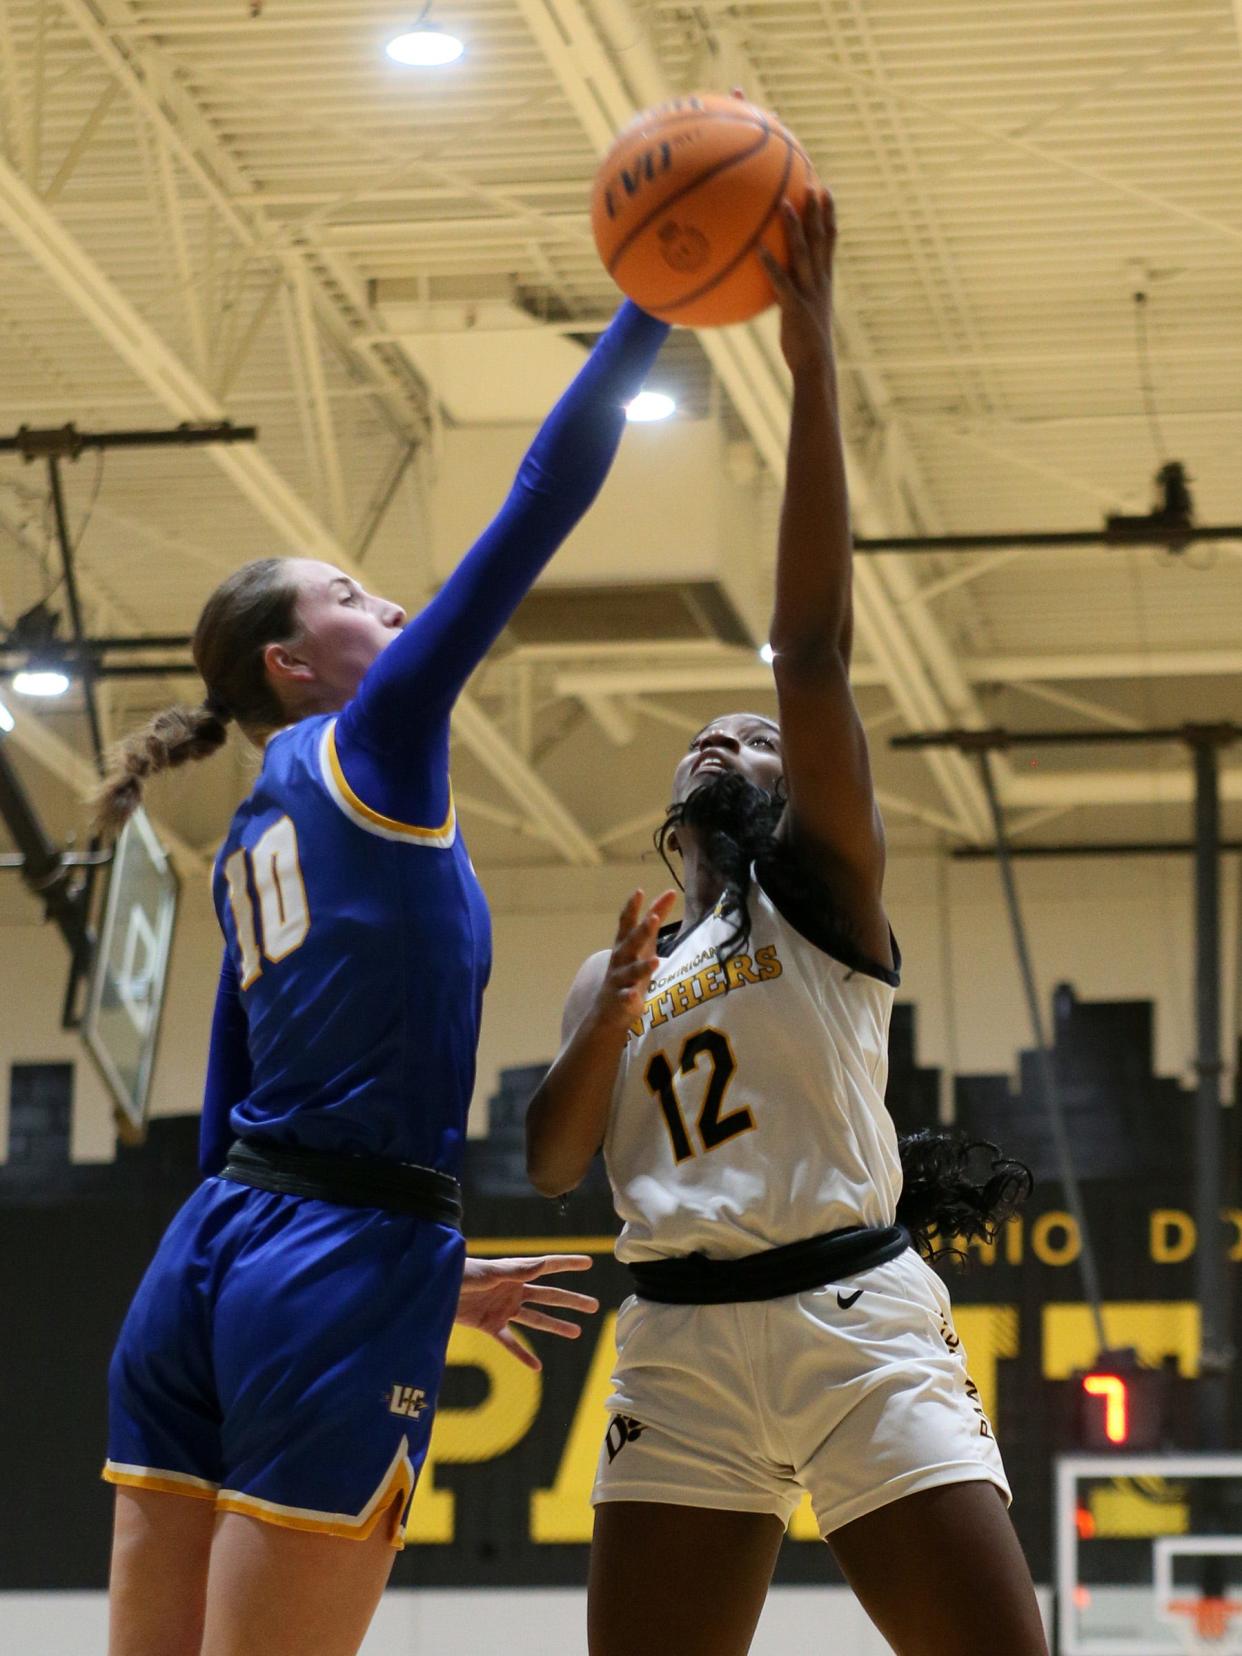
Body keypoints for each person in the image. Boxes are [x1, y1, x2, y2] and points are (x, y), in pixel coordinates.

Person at [95, 297, 669, 1656]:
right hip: (335, 1258)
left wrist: (372, 1272)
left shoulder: (251, 830)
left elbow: (230, 1108)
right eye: (352, 597)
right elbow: (540, 500)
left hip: (207, 1259)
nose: (395, 608)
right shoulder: (377, 738)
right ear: (292, 666)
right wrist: (652, 306)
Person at [525, 194, 1046, 1656]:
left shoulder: (820, 894)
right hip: (678, 1345)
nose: (730, 739)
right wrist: (612, 1007)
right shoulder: (611, 966)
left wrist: (812, 358)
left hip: (852, 1329)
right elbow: (556, 1160)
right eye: (708, 736)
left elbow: (806, 651)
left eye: (755, 740)